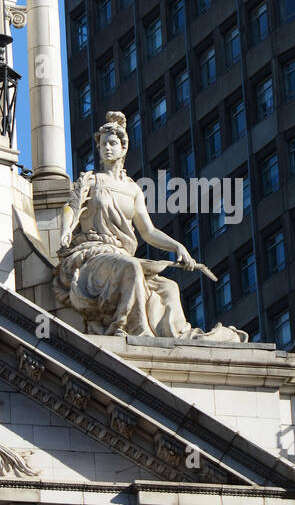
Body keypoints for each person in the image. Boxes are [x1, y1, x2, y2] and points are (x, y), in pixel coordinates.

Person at [54, 111, 247, 342]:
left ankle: (180, 338)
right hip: (93, 258)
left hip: (119, 256)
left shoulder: (133, 189)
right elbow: (72, 208)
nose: (107, 148)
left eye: (112, 143)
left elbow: (148, 231)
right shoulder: (91, 181)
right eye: (103, 144)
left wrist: (177, 248)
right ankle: (136, 331)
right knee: (132, 268)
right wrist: (66, 230)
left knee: (169, 288)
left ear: (123, 148)